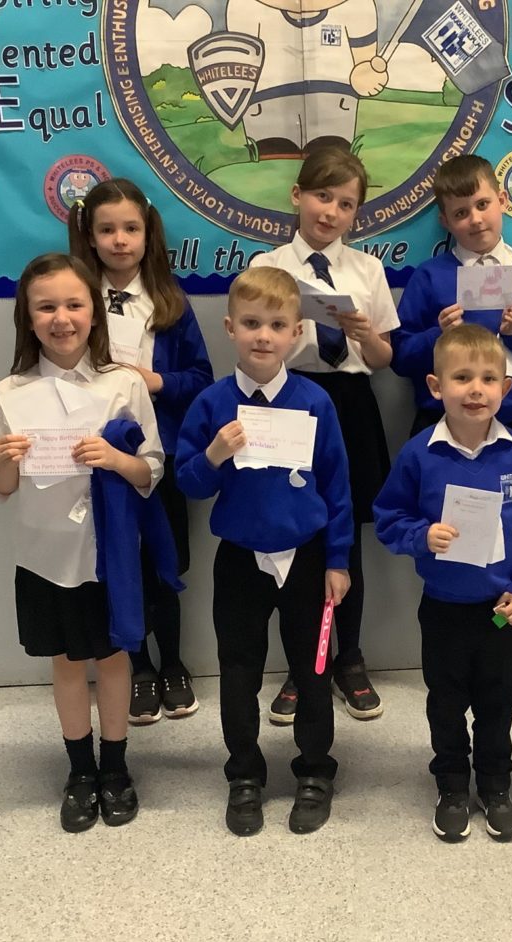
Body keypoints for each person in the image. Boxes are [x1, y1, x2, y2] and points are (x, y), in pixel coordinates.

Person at [0, 253, 164, 832]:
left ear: (94, 312)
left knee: (113, 660)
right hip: (45, 556)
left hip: (109, 554)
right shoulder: (11, 392)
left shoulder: (123, 384)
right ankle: (80, 771)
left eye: (73, 304)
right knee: (65, 663)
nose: (61, 318)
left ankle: (115, 768)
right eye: (46, 307)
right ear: (27, 317)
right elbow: (0, 488)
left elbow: (152, 470)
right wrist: (6, 462)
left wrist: (115, 459)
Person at [391, 153, 512, 711]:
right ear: (444, 220)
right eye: (459, 212)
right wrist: (435, 334)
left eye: (482, 204)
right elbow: (400, 358)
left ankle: (504, 659)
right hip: (442, 429)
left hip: (511, 427)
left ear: (502, 201)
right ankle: (452, 659)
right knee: (454, 538)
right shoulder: (431, 278)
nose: (474, 219)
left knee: (509, 539)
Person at [175, 266, 353, 836]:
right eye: (251, 323)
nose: (263, 336)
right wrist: (213, 455)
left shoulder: (315, 401)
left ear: (297, 332)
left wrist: (338, 560)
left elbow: (338, 487)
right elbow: (188, 483)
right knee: (238, 672)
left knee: (313, 671)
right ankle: (245, 775)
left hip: (307, 558)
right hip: (240, 561)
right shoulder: (212, 403)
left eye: (277, 325)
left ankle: (315, 771)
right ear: (230, 327)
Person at [373, 325, 512, 842]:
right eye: (462, 378)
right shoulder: (420, 454)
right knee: (445, 702)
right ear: (436, 387)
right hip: (442, 608)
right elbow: (388, 517)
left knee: (498, 702)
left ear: (506, 388)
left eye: (487, 379)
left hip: (499, 611)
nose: (476, 389)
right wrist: (421, 535)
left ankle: (496, 786)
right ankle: (453, 785)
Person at [249, 146, 397, 724]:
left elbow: (383, 359)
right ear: (297, 195)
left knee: (345, 533)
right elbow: (253, 349)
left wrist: (362, 334)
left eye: (346, 204)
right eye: (321, 196)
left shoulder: (367, 270)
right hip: (287, 400)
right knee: (295, 534)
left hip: (350, 404)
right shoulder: (268, 265)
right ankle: (300, 663)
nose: (330, 211)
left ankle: (349, 658)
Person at [69, 178, 213, 723]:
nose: (120, 240)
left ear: (148, 234)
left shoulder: (170, 302)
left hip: (162, 456)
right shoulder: (78, 301)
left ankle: (173, 663)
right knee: (117, 562)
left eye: (131, 228)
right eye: (107, 230)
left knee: (164, 564)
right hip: (99, 459)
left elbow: (201, 378)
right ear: (90, 235)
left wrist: (156, 382)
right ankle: (139, 667)